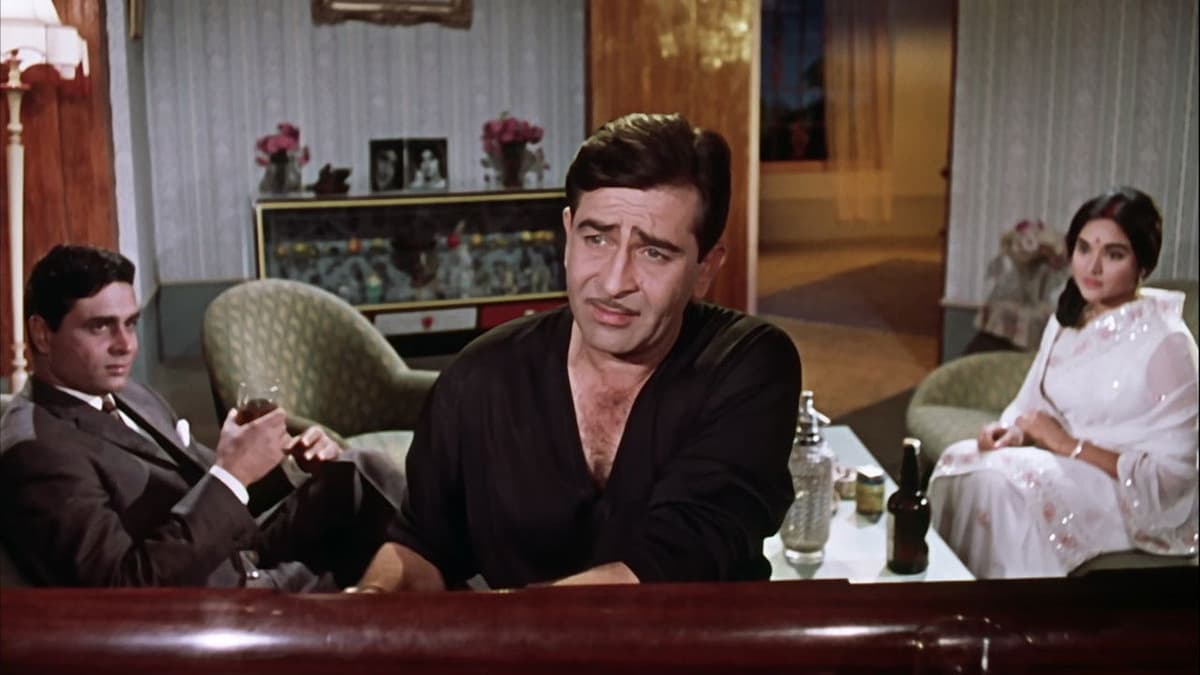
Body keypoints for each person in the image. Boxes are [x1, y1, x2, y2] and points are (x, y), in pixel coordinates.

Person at [353, 112, 802, 592]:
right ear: (568, 236)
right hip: (518, 638)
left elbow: (674, 564)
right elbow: (422, 544)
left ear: (706, 267)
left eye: (653, 252)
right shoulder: (479, 377)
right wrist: (373, 598)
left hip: (694, 642)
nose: (613, 282)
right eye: (597, 238)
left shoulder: (749, 364)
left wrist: (503, 627)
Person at [0, 245, 404, 589]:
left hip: (231, 548)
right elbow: (124, 585)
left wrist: (288, 468)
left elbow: (210, 489)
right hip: (210, 599)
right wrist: (233, 472)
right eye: (100, 327)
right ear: (42, 334)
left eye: (131, 324)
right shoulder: (37, 452)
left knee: (358, 472)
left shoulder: (126, 393)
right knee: (380, 560)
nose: (126, 345)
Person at [927, 187, 1199, 579]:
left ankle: (1016, 613)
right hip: (1064, 464)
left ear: (1143, 263)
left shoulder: (1167, 343)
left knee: (1001, 486)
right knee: (964, 461)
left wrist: (1068, 445)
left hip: (1127, 493)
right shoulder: (1069, 318)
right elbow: (1032, 404)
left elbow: (1176, 478)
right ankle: (952, 602)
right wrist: (1012, 432)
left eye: (1114, 254)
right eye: (1084, 249)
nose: (1093, 267)